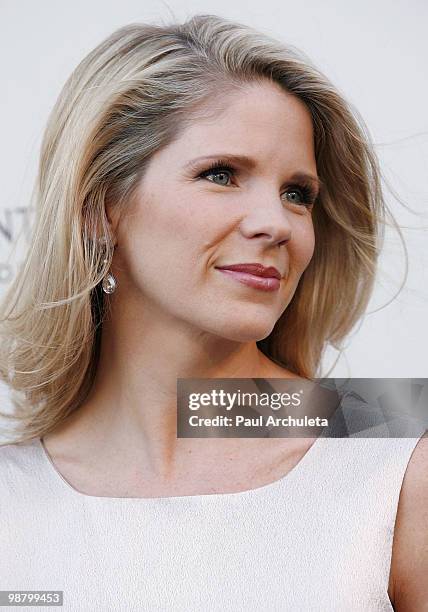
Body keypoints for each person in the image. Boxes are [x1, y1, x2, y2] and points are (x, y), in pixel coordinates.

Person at [0, 13, 426, 611]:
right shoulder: (10, 497)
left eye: (297, 194)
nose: (276, 223)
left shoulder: (399, 459)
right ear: (100, 210)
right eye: (221, 174)